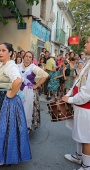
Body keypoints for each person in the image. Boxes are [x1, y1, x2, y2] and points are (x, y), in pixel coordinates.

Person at [62, 37, 90, 170]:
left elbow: (87, 93)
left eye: (88, 42)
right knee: (79, 133)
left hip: (86, 107)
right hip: (80, 104)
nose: (85, 43)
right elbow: (78, 81)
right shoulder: (88, 61)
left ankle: (86, 166)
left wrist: (71, 99)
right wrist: (68, 95)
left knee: (86, 138)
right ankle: (79, 157)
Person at [18, 51, 48, 131]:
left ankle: (25, 129)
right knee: (17, 109)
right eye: (26, 56)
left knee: (27, 109)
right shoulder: (17, 66)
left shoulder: (33, 67)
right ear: (23, 57)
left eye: (30, 57)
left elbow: (45, 75)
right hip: (17, 91)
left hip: (29, 91)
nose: (27, 58)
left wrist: (36, 85)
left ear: (32, 59)